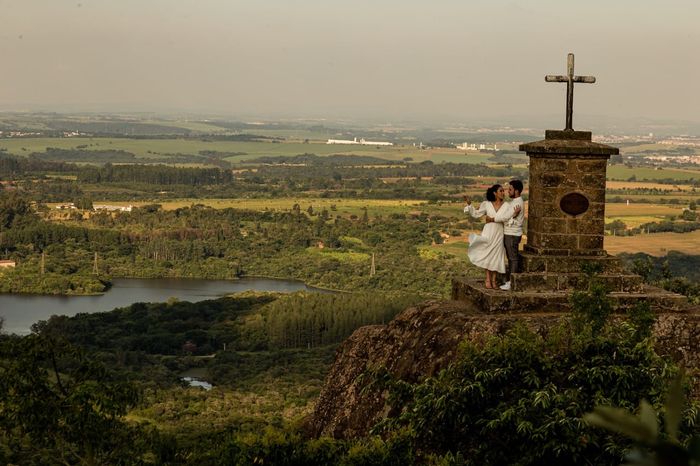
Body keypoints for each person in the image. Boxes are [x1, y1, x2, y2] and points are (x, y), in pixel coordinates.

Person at [463, 184, 507, 289]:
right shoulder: (486, 204)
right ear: (495, 193)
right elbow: (476, 214)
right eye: (500, 191)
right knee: (488, 254)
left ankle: (494, 280)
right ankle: (487, 279)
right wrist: (470, 205)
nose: (503, 193)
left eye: (503, 191)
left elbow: (507, 218)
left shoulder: (506, 206)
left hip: (499, 232)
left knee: (497, 255)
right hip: (489, 231)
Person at [485, 179, 524, 291]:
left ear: (516, 191)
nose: (508, 192)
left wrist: (492, 219)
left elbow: (505, 217)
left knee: (513, 258)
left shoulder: (516, 203)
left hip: (512, 234)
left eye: (510, 189)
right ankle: (510, 281)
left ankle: (512, 282)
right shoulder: (515, 202)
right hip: (510, 233)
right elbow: (509, 216)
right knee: (511, 257)